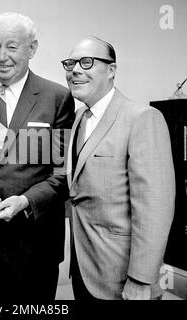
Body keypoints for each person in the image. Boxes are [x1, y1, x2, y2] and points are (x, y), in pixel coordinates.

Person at [0, 12, 75, 301]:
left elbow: (63, 173)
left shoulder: (57, 98)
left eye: (12, 46)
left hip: (33, 248)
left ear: (32, 49)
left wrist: (26, 201)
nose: (2, 56)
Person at [62, 36, 175, 300]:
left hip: (123, 279)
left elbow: (155, 208)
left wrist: (141, 279)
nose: (75, 70)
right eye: (70, 64)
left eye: (86, 62)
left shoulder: (142, 118)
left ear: (111, 70)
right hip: (84, 270)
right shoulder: (80, 117)